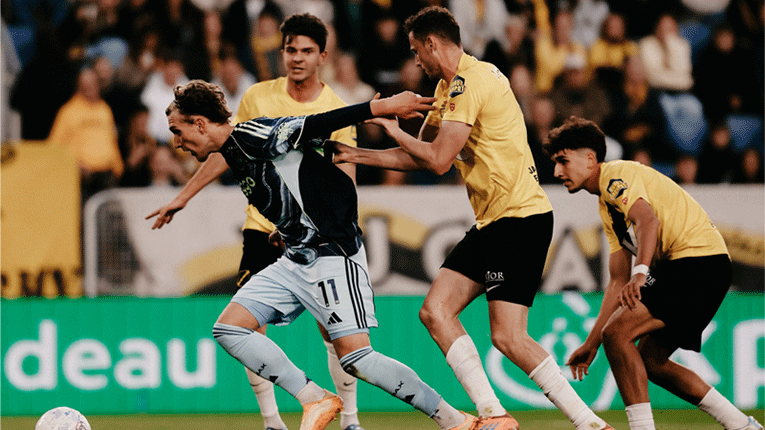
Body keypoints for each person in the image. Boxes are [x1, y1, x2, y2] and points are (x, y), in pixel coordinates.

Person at [327, 6, 613, 430]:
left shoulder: (471, 82)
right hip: (494, 223)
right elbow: (419, 156)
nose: (415, 61)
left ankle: (590, 424)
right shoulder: (448, 90)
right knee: (435, 311)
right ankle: (494, 415)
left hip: (519, 220)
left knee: (508, 337)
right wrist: (355, 154)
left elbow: (439, 159)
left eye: (416, 51)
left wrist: (394, 128)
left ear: (432, 44)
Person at [157, 79, 479, 430]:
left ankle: (453, 420)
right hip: (296, 257)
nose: (177, 142)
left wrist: (380, 107)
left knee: (358, 358)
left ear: (199, 124)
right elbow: (307, 171)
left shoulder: (254, 135)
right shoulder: (235, 151)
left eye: (177, 131)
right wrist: (292, 223)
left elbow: (316, 123)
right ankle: (314, 397)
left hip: (332, 254)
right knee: (229, 329)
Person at [147, 13, 362, 430]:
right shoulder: (258, 97)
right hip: (262, 230)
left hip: (317, 236)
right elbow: (227, 150)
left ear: (322, 56)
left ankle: (349, 420)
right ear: (280, 53)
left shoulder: (336, 108)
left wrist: (333, 225)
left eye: (306, 51)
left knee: (333, 329)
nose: (297, 58)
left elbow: (344, 170)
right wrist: (183, 196)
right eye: (290, 49)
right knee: (248, 326)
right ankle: (272, 422)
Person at [543, 116, 764, 430]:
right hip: (701, 267)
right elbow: (617, 281)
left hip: (696, 263)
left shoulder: (614, 175)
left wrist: (641, 272)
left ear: (590, 159)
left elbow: (648, 221)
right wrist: (592, 342)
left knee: (617, 334)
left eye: (563, 161)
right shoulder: (607, 207)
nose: (556, 172)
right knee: (651, 361)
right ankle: (742, 425)